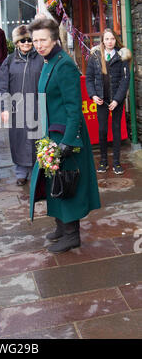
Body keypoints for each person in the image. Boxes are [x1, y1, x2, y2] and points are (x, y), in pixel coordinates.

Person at [29, 18, 101, 254]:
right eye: (35, 40)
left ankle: (72, 236)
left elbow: (73, 107)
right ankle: (61, 226)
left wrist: (69, 141)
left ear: (54, 39)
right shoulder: (48, 61)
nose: (38, 44)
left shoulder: (64, 64)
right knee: (54, 181)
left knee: (68, 183)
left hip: (66, 137)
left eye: (43, 40)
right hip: (50, 135)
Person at [0, 24, 44, 185]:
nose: (26, 43)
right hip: (17, 108)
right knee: (19, 140)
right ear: (17, 42)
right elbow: (3, 86)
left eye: (29, 40)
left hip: (38, 106)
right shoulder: (9, 60)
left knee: (37, 139)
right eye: (22, 40)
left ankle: (37, 172)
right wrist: (4, 108)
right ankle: (21, 173)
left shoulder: (41, 58)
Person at [86, 28, 131, 175]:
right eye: (106, 39)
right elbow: (89, 78)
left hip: (116, 100)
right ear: (102, 41)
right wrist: (93, 95)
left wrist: (118, 100)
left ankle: (117, 162)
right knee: (102, 130)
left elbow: (125, 80)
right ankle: (103, 161)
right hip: (101, 100)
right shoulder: (95, 56)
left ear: (115, 40)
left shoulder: (122, 56)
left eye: (112, 39)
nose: (109, 42)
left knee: (116, 130)